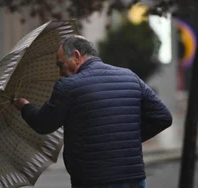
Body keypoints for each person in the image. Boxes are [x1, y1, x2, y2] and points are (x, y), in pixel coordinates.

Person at [14, 35, 172, 188]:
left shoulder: (68, 86)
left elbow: (43, 124)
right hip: (134, 177)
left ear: (76, 55)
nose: (60, 73)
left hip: (93, 179)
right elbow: (163, 117)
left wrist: (25, 106)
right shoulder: (130, 77)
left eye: (61, 65)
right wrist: (129, 137)